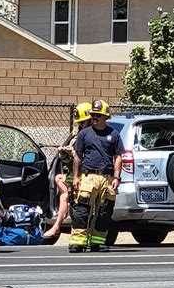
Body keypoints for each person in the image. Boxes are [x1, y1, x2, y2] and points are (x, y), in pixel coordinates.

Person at [69, 99, 125, 253]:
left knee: (104, 212)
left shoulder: (114, 135)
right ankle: (77, 242)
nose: (95, 117)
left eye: (98, 115)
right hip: (88, 177)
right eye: (93, 114)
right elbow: (77, 156)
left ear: (106, 117)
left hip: (107, 179)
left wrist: (116, 177)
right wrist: (76, 177)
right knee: (82, 210)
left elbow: (119, 157)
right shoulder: (84, 134)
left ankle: (97, 242)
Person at [42, 102, 92, 239]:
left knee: (64, 196)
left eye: (83, 122)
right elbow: (71, 162)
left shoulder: (93, 136)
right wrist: (64, 154)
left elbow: (88, 158)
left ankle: (57, 227)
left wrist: (74, 152)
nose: (81, 125)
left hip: (88, 176)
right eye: (79, 122)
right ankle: (60, 221)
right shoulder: (77, 136)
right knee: (59, 178)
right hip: (76, 174)